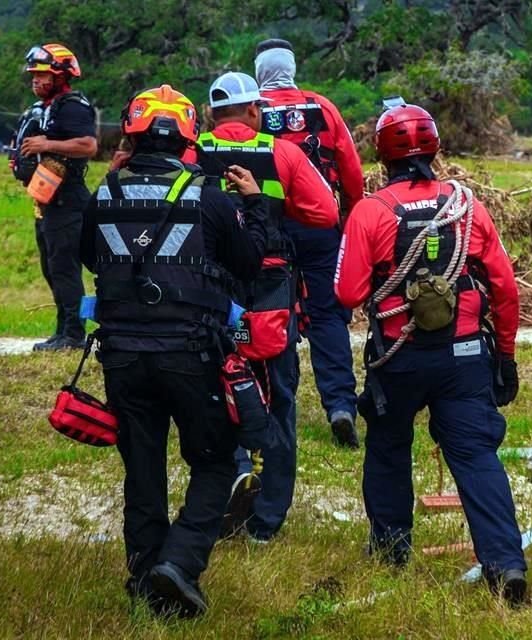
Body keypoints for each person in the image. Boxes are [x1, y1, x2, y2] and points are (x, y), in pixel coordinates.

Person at [79, 84, 270, 617]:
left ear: (131, 135)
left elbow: (85, 255)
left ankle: (146, 575)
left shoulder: (106, 193)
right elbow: (250, 263)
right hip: (191, 354)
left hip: (121, 355)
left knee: (142, 466)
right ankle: (178, 565)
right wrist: (253, 203)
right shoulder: (207, 196)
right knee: (213, 461)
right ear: (189, 135)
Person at [334, 103, 527, 605]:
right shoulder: (467, 205)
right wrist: (504, 357)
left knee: (388, 448)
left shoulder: (370, 212)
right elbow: (505, 287)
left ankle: (391, 551)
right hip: (465, 356)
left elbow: (349, 294)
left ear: (381, 154)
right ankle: (505, 563)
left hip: (398, 359)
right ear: (436, 148)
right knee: (477, 456)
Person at [195, 71, 339, 542]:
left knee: (214, 387)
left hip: (210, 286)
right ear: (255, 111)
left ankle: (224, 490)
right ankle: (267, 519)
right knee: (278, 397)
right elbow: (326, 213)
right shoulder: (283, 153)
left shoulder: (191, 153)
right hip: (272, 286)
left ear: (212, 114)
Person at [255, 38, 363, 448]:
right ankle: (339, 404)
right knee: (328, 316)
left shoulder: (250, 109)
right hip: (321, 224)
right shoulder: (322, 107)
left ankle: (266, 402)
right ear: (292, 68)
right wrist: (350, 216)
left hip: (267, 228)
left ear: (260, 71)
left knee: (266, 312)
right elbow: (351, 169)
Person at [18, 44, 97, 351]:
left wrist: (45, 144)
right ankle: (62, 330)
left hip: (69, 201)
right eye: (34, 75)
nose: (36, 80)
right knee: (52, 268)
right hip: (49, 201)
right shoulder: (50, 106)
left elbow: (88, 145)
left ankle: (74, 336)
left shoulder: (72, 105)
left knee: (65, 269)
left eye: (43, 74)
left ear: (62, 76)